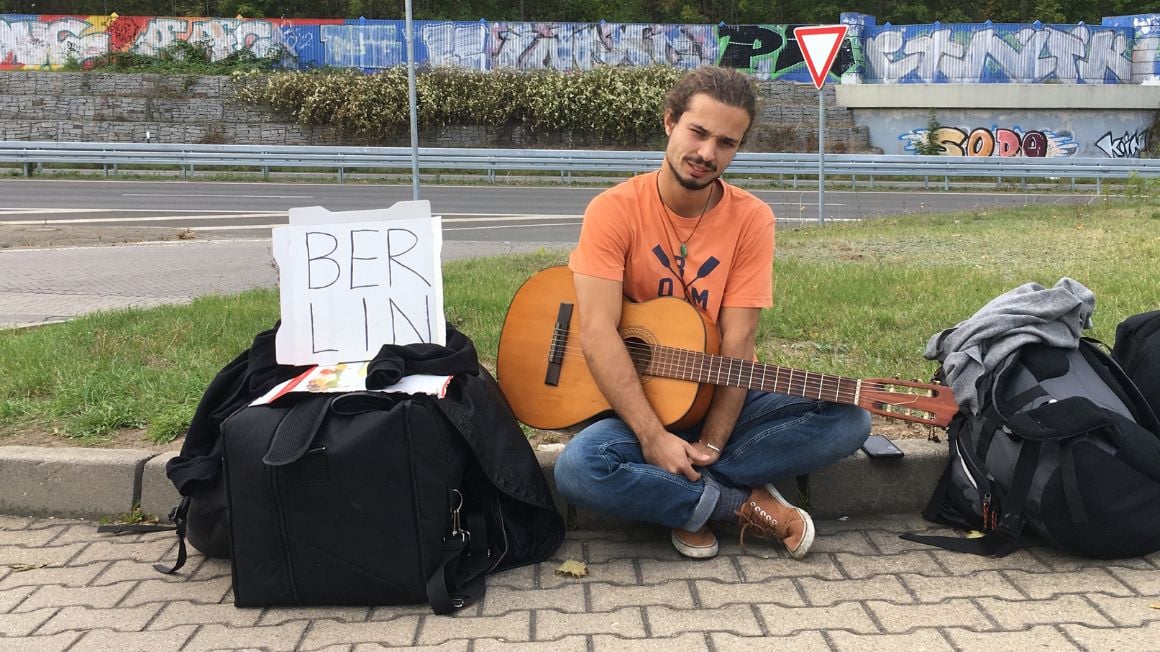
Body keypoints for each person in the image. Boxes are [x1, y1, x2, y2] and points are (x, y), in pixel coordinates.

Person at [553, 66, 871, 560]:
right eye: (698, 132)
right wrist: (653, 436)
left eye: (726, 142)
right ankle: (737, 504)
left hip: (715, 394)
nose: (707, 154)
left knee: (850, 418)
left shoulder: (751, 219)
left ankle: (689, 491)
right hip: (632, 406)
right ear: (669, 122)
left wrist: (714, 443)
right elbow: (595, 332)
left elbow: (738, 342)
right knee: (578, 468)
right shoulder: (613, 210)